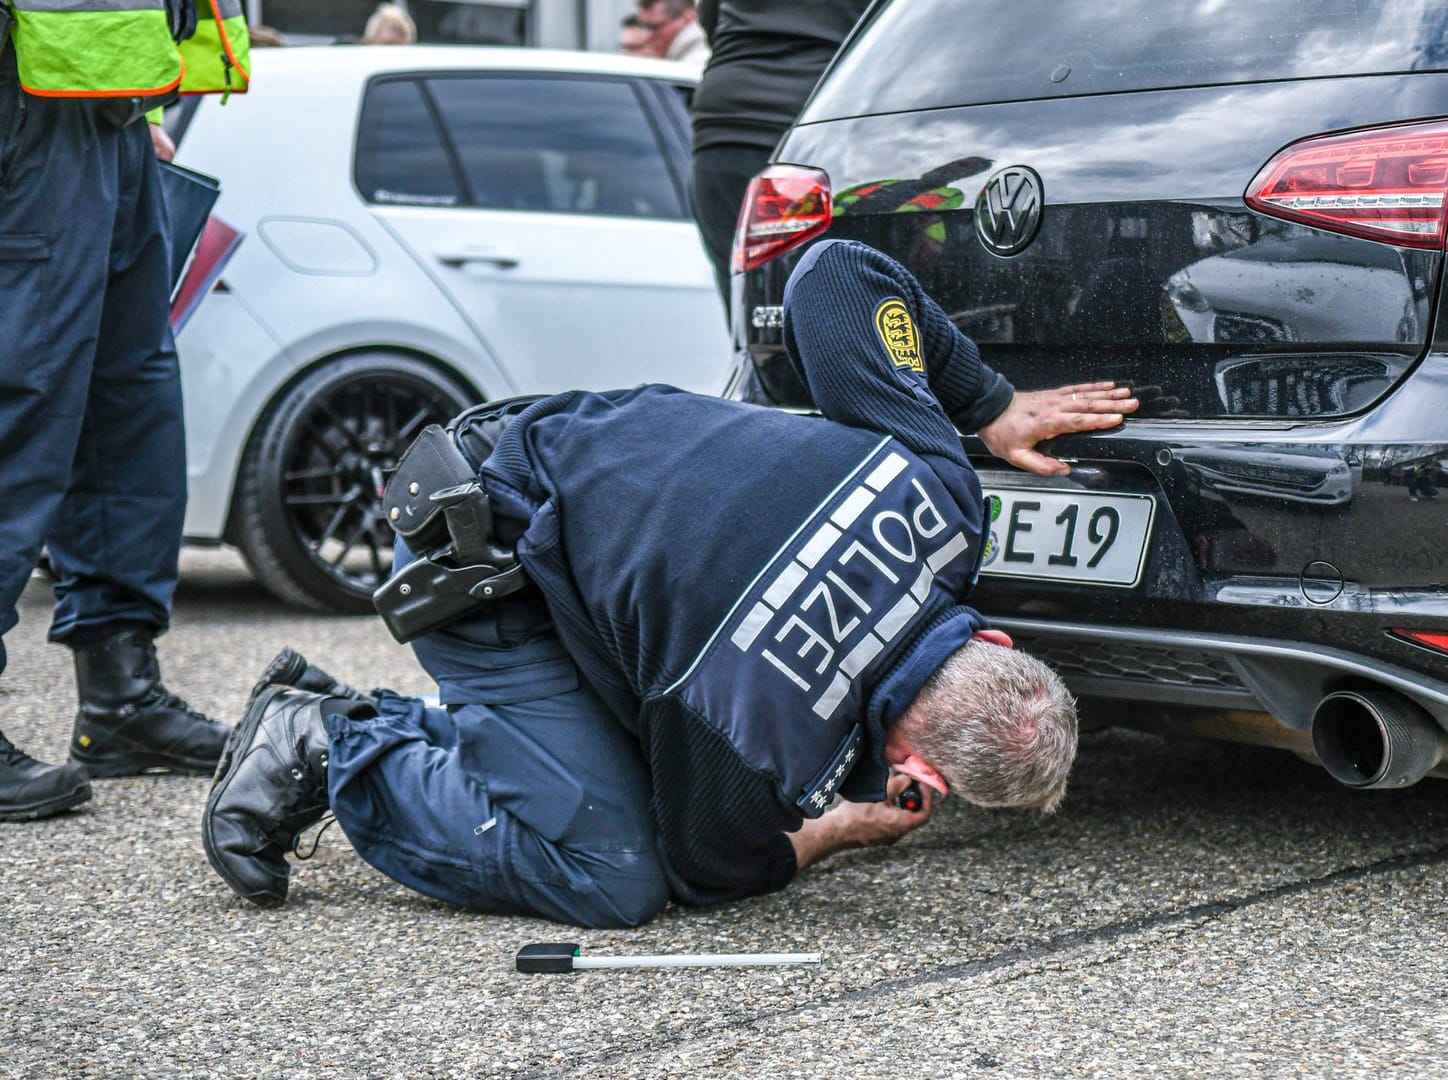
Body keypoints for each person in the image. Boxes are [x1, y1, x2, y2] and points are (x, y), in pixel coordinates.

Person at [203, 240, 1137, 926]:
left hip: (533, 454)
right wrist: (838, 826)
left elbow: (839, 274)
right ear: (923, 772)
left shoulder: (944, 501)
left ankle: (417, 734)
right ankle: (326, 743)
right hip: (481, 565)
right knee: (613, 872)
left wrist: (988, 404)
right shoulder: (767, 744)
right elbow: (706, 871)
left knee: (638, 752)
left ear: (998, 642)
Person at [0, 0, 250, 821]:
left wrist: (132, 101)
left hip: (101, 105)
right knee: (22, 405)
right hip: (25, 97)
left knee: (128, 408)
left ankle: (120, 700)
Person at [688, 0, 866, 314]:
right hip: (814, 118)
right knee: (827, 300)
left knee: (747, 303)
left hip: (724, 121)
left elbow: (711, 18)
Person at [634, 0, 709, 66]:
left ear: (688, 17)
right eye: (644, 27)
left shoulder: (697, 61)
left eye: (655, 28)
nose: (646, 37)